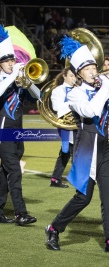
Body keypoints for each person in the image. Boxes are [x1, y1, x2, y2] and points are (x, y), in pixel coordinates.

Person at [45, 35, 109, 254]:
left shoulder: (101, 89)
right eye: (87, 69)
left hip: (103, 149)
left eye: (94, 67)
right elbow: (91, 111)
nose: (94, 71)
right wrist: (105, 88)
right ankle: (54, 227)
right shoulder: (75, 94)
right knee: (83, 198)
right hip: (86, 150)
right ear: (79, 73)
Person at [0, 24, 40, 225]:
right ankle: (20, 213)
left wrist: (28, 81)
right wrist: (12, 76)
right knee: (14, 171)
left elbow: (38, 96)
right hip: (3, 132)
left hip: (17, 131)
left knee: (5, 171)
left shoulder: (18, 80)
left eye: (12, 60)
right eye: (7, 61)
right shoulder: (2, 79)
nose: (11, 63)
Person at [50, 67, 77, 188]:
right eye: (71, 75)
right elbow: (56, 107)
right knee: (66, 151)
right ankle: (56, 179)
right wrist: (73, 103)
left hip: (78, 123)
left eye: (75, 76)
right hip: (65, 124)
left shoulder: (79, 89)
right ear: (64, 76)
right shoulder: (58, 90)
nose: (74, 78)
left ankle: (76, 178)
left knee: (77, 150)